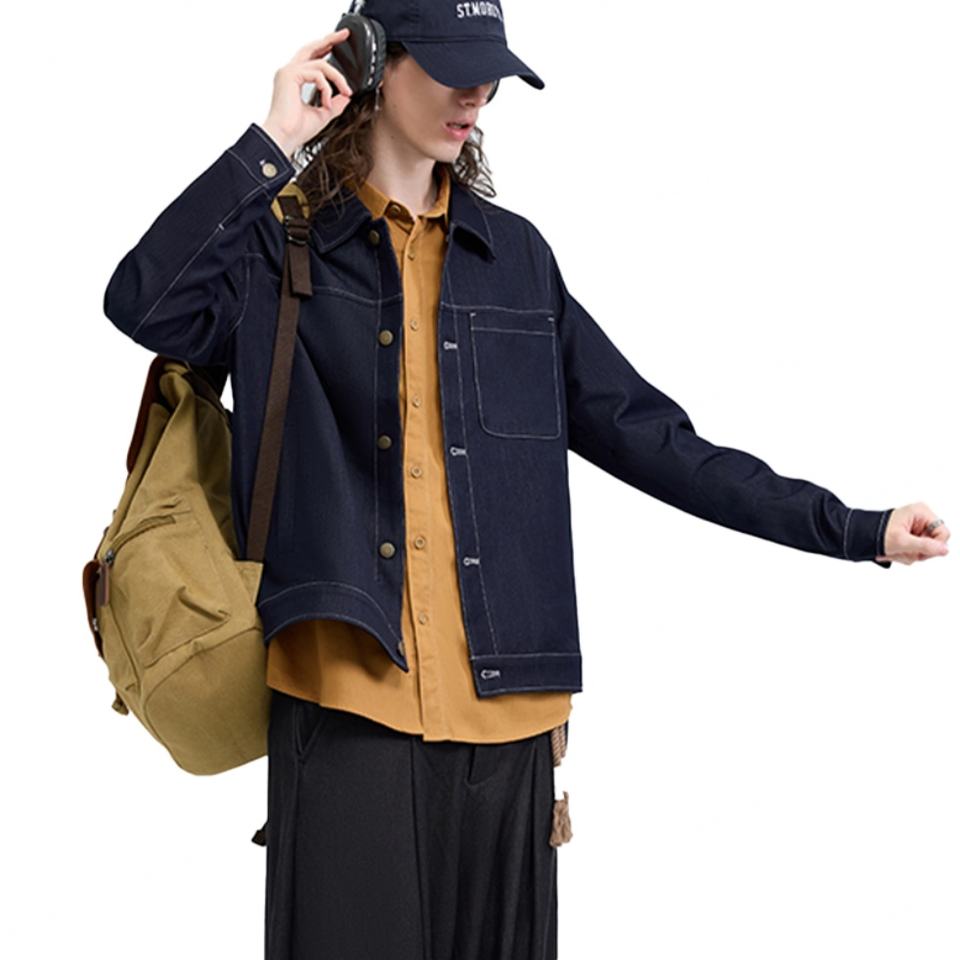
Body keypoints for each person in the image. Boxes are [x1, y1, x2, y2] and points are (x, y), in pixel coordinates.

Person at [102, 2, 949, 957]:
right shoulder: (281, 244)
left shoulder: (515, 263)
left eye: (491, 74)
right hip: (345, 707)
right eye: (452, 67)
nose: (477, 94)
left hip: (511, 724)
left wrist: (855, 529)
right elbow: (144, 302)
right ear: (372, 60)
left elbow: (652, 438)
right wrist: (272, 143)